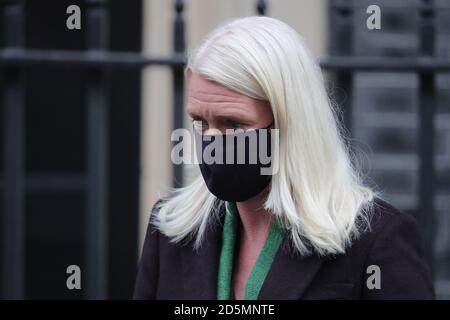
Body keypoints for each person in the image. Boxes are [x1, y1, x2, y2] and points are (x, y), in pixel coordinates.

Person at [133, 16, 434, 300]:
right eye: (200, 121)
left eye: (233, 124)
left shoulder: (374, 240)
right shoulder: (171, 229)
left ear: (289, 123)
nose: (211, 141)